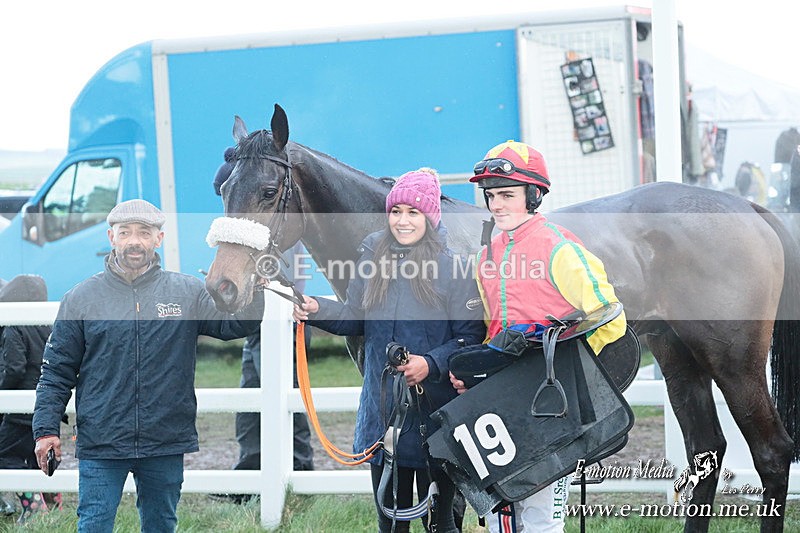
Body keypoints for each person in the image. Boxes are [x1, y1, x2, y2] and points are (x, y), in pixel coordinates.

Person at [32, 199, 264, 533]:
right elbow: (56, 370)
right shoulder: (81, 298)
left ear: (159, 238)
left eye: (144, 232)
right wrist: (46, 430)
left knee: (161, 525)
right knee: (93, 525)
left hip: (165, 438)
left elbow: (234, 326)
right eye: (125, 232)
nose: (134, 241)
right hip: (102, 440)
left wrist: (256, 291)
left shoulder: (188, 293)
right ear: (112, 237)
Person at [292, 168, 485, 533]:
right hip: (382, 414)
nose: (403, 220)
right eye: (396, 211)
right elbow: (354, 318)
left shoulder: (454, 266)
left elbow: (469, 336)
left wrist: (430, 364)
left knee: (442, 523)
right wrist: (319, 309)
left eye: (413, 212)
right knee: (390, 522)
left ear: (429, 216)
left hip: (434, 414)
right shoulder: (371, 255)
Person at [451, 141, 626, 533]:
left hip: (552, 400)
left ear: (533, 196)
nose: (496, 205)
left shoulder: (560, 248)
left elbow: (609, 318)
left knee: (542, 518)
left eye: (507, 195)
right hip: (503, 398)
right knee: (499, 513)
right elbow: (491, 328)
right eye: (491, 195)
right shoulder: (486, 257)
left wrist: (565, 364)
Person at [0, 275, 55, 523]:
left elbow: (14, 368)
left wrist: (3, 392)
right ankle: (53, 503)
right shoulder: (47, 324)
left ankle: (32, 506)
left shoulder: (14, 326)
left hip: (21, 406)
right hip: (47, 400)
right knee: (39, 455)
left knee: (5, 454)